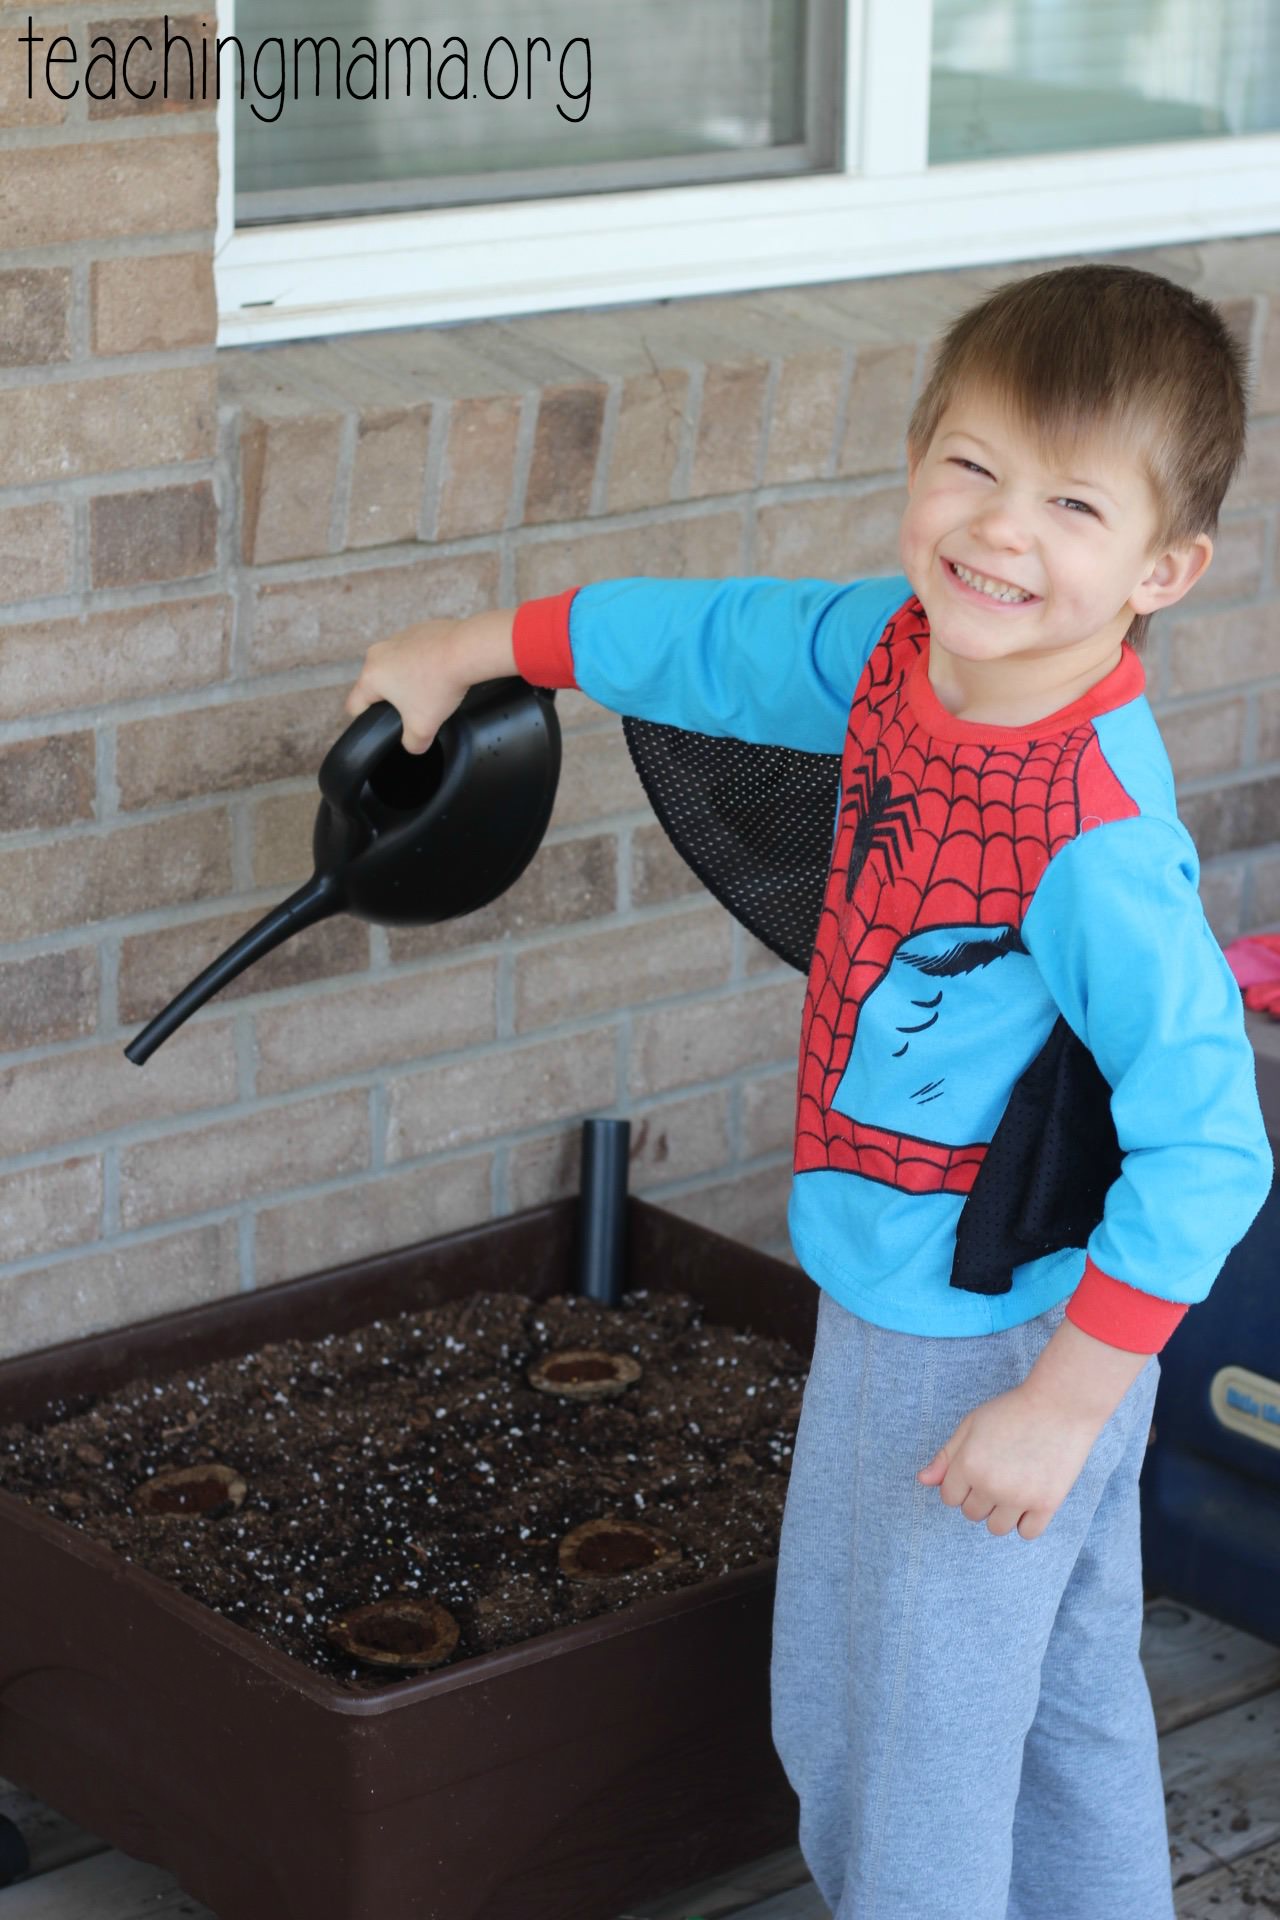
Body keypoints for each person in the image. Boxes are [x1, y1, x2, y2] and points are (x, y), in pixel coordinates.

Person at [342, 262, 1274, 1919]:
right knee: (1054, 1705)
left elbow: (1211, 1145)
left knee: (887, 1730)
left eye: (1071, 501)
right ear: (916, 455)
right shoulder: (895, 655)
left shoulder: (1093, 846)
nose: (1000, 528)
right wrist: (479, 644)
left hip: (976, 1338)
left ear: (1165, 569)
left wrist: (1057, 1404)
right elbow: (708, 641)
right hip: (988, 1306)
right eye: (972, 465)